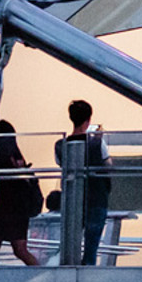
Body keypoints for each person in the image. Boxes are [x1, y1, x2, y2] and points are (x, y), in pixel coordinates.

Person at [52, 100, 111, 265]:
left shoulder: (60, 145)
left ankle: (70, 272)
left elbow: (61, 164)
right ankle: (87, 275)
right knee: (91, 246)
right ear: (88, 120)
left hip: (72, 199)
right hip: (97, 197)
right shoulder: (97, 143)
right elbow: (107, 165)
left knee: (71, 242)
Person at [0, 121, 42, 266]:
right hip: (19, 209)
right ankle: (39, 271)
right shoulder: (17, 156)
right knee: (20, 249)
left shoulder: (1, 158)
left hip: (4, 207)